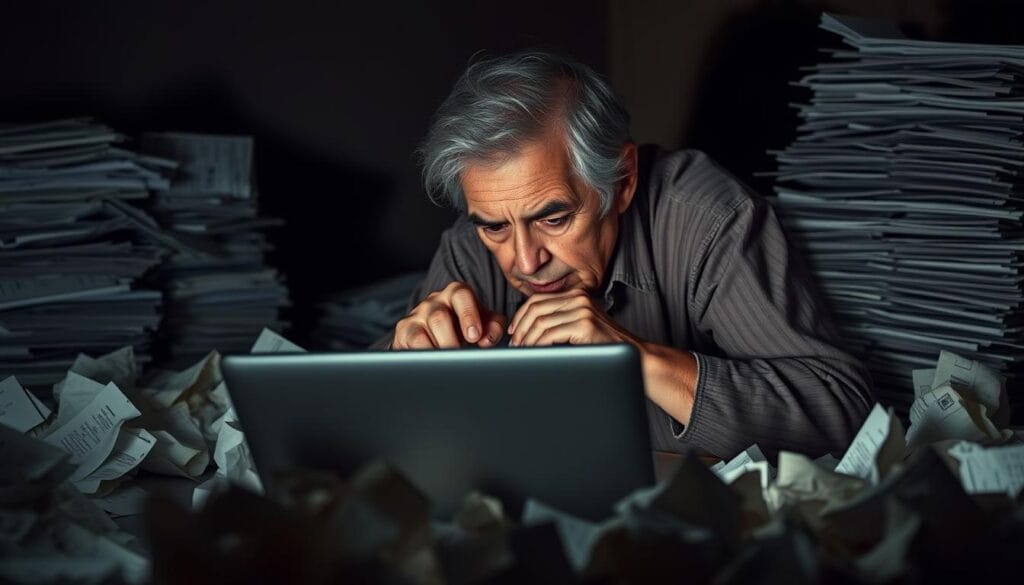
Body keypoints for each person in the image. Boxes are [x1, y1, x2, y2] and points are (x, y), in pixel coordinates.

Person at [376, 50, 873, 459]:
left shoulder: (709, 219)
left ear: (623, 180)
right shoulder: (471, 243)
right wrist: (405, 366)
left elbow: (842, 411)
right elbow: (367, 415)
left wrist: (636, 357)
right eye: (495, 227)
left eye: (554, 219)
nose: (524, 263)